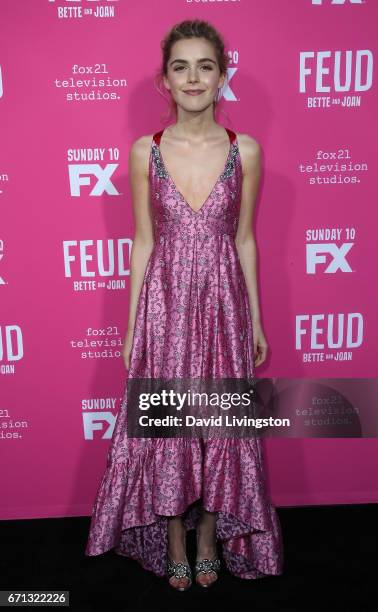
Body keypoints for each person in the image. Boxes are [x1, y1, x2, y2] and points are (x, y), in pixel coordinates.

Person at [85, 18, 284, 591]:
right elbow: (143, 241)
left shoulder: (244, 150)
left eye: (205, 65)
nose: (193, 77)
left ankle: (207, 533)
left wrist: (256, 318)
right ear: (164, 81)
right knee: (170, 424)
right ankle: (174, 533)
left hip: (224, 302)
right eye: (181, 66)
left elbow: (244, 238)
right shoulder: (143, 151)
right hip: (165, 303)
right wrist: (131, 328)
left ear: (222, 76)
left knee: (221, 423)